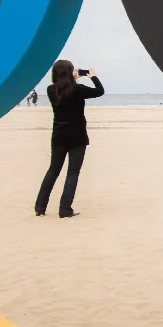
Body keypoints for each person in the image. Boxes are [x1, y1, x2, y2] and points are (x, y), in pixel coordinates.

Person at [34, 59, 105, 218]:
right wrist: (92, 76)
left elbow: (64, 89)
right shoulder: (78, 89)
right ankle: (65, 209)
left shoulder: (51, 89)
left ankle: (40, 207)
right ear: (70, 72)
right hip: (77, 135)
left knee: (53, 171)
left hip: (59, 135)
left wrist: (73, 79)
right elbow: (100, 91)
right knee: (72, 173)